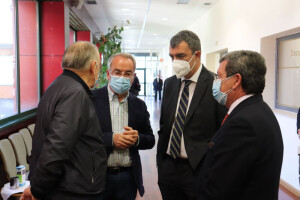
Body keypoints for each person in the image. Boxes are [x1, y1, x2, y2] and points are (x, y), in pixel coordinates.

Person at [20, 41, 107, 200]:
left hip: (63, 186)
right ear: (93, 66)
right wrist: (37, 190)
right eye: (100, 67)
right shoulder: (75, 93)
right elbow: (57, 146)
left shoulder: (57, 85)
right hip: (72, 190)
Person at [197, 50, 284, 200]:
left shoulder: (243, 123)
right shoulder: (259, 109)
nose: (216, 81)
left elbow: (222, 185)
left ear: (236, 80)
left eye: (219, 76)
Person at [156, 30, 227, 200]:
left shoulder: (215, 84)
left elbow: (222, 131)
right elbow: (165, 126)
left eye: (180, 56)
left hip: (197, 170)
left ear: (197, 55)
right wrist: (161, 163)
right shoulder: (170, 83)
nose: (175, 61)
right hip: (168, 167)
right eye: (172, 56)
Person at [92, 53, 155, 200]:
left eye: (127, 74)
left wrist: (137, 139)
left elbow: (150, 139)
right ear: (108, 74)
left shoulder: (139, 105)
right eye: (117, 72)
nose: (122, 77)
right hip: (99, 176)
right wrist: (110, 139)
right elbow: (82, 136)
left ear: (133, 77)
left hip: (128, 178)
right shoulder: (92, 100)